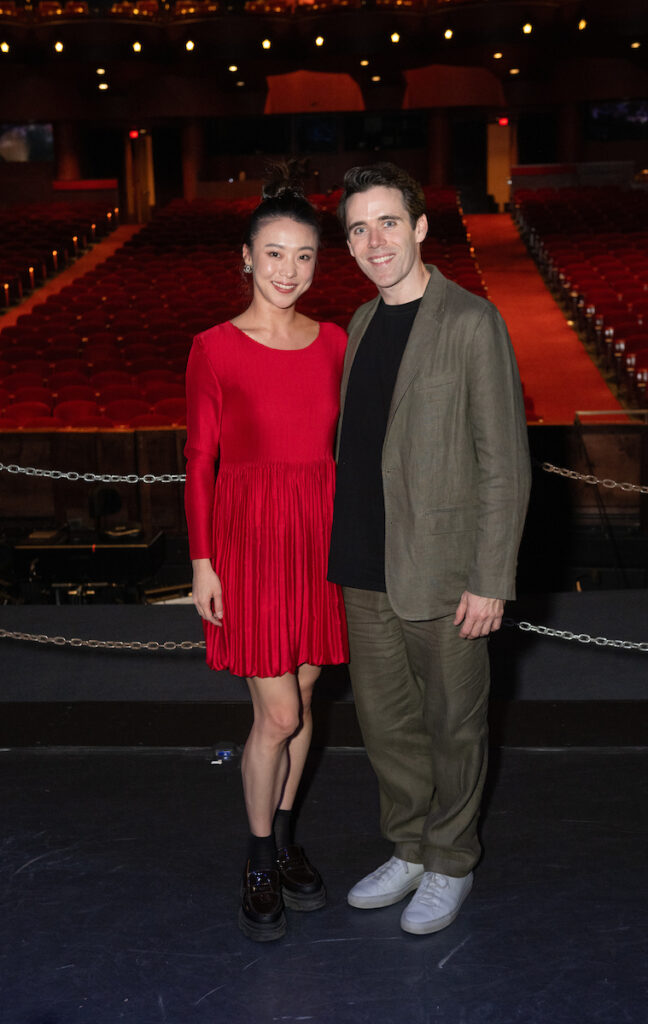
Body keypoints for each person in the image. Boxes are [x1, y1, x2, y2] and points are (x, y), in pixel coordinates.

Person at [327, 162, 531, 936]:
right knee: (387, 726)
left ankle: (450, 861)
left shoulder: (471, 322)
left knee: (455, 725)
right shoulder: (359, 323)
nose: (373, 239)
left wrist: (490, 579)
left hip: (445, 572)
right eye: (357, 228)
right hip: (363, 565)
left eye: (387, 222)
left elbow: (502, 465)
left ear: (418, 228)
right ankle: (409, 847)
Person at [184, 169, 348, 942]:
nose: (288, 271)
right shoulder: (214, 348)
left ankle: (284, 842)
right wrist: (201, 561)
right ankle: (256, 857)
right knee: (275, 715)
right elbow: (198, 461)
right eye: (273, 253)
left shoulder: (336, 343)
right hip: (248, 543)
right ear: (244, 257)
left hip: (319, 537)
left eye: (304, 256)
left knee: (306, 705)